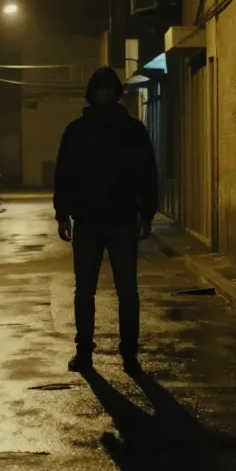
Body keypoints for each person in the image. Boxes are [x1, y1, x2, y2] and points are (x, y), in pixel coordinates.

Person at [53, 67, 158, 374]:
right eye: (100, 89)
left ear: (116, 93)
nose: (105, 94)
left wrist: (146, 213)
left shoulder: (129, 130)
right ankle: (85, 351)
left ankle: (128, 352)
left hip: (121, 218)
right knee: (86, 290)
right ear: (93, 92)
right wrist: (62, 214)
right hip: (89, 219)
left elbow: (146, 173)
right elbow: (64, 174)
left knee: (125, 290)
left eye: (109, 89)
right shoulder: (79, 131)